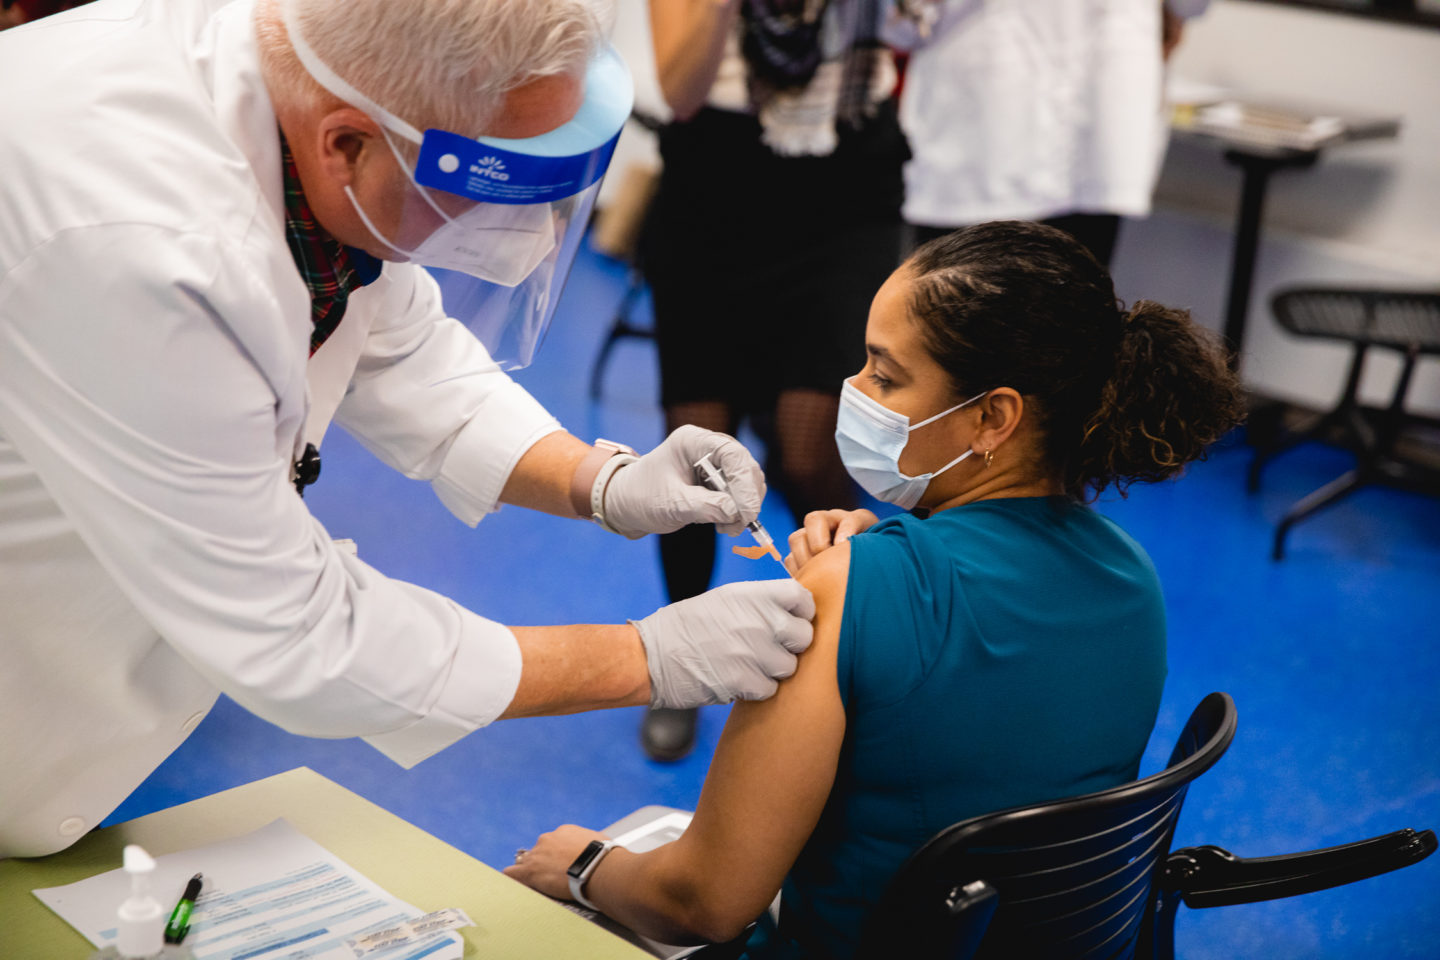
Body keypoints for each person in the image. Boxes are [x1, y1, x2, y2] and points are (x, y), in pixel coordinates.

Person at [0, 0, 817, 860]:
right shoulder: (144, 247)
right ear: (345, 144)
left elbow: (400, 345)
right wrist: (647, 659)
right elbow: (296, 633)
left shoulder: (315, 75)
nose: (536, 244)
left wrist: (599, 481)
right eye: (495, 186)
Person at [506, 220, 1246, 958]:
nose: (854, 393)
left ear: (992, 417)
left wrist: (585, 864)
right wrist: (872, 571)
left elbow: (704, 902)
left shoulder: (853, 587)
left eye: (886, 377)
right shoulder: (1131, 576)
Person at [637, 0, 911, 761]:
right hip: (713, 182)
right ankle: (680, 667)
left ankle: (842, 654)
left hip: (847, 181)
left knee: (807, 451)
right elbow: (681, 88)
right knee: (699, 451)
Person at [889, 0, 1211, 267]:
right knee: (1066, 329)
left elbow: (902, 24)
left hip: (982, 127)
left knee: (952, 331)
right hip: (1097, 120)